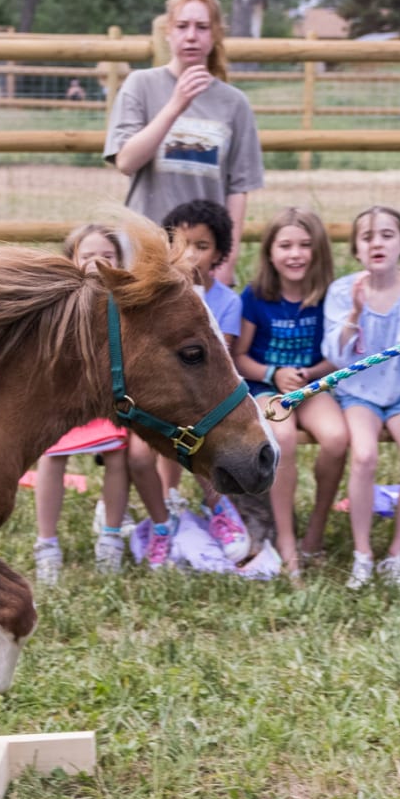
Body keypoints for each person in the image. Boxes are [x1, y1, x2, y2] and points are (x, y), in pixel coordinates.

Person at [104, 0, 264, 274]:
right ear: (168, 31)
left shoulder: (234, 102)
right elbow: (126, 162)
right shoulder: (141, 84)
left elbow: (238, 190)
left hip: (203, 253)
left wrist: (227, 259)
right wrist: (176, 105)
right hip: (146, 245)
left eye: (202, 27)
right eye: (182, 26)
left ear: (215, 34)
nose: (191, 36)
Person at [133, 200, 251, 566]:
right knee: (138, 456)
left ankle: (218, 506)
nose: (191, 255)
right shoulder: (155, 297)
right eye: (181, 244)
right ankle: (162, 522)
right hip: (157, 400)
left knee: (203, 437)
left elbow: (221, 365)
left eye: (202, 246)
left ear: (219, 253)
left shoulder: (227, 302)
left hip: (204, 400)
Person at [324, 206, 400, 591]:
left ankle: (396, 554)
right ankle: (362, 554)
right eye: (368, 236)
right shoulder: (342, 290)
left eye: (387, 235)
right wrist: (355, 311)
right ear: (356, 248)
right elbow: (337, 356)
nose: (377, 243)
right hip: (360, 393)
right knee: (365, 455)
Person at [233, 207, 347, 576]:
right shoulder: (256, 296)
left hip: (313, 386)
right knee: (282, 436)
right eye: (285, 245)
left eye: (304, 245)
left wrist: (310, 375)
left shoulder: (330, 295)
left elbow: (337, 358)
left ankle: (315, 529)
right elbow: (239, 358)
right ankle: (285, 537)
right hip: (266, 387)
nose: (294, 254)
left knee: (336, 438)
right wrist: (275, 373)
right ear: (270, 252)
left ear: (318, 252)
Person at [32, 223, 137, 582]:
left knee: (117, 453)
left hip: (107, 400)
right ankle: (46, 543)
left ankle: (110, 537)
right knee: (52, 452)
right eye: (87, 256)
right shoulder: (58, 303)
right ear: (71, 261)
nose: (96, 263)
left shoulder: (123, 303)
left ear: (120, 263)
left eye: (106, 256)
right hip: (66, 399)